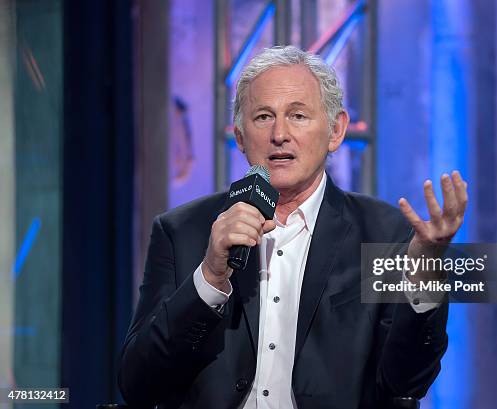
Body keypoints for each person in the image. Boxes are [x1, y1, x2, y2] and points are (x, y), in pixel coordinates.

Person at [119, 46, 468, 409]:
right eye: (263, 117)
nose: (280, 134)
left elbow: (406, 380)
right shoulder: (182, 232)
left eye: (298, 116)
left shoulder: (384, 234)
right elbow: (139, 384)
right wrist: (208, 278)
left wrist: (424, 268)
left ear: (336, 131)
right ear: (239, 137)